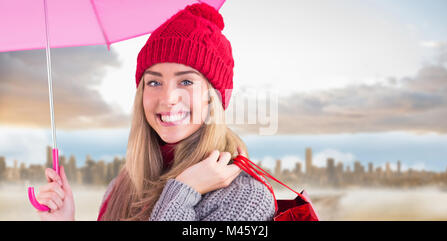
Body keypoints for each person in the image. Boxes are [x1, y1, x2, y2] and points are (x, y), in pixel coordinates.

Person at [35, 2, 275, 221]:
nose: (168, 98)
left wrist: (182, 193)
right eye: (154, 82)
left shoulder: (246, 197)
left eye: (186, 82)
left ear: (214, 98)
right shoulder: (122, 186)